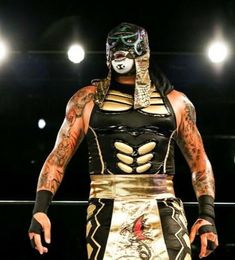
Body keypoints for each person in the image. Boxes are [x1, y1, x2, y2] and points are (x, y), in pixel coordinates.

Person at [28, 22, 218, 259]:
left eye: (127, 43)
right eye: (114, 45)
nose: (120, 50)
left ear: (143, 50)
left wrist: (207, 215)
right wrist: (40, 210)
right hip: (106, 208)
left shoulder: (177, 103)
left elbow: (200, 163)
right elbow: (57, 158)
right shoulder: (86, 101)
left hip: (164, 209)